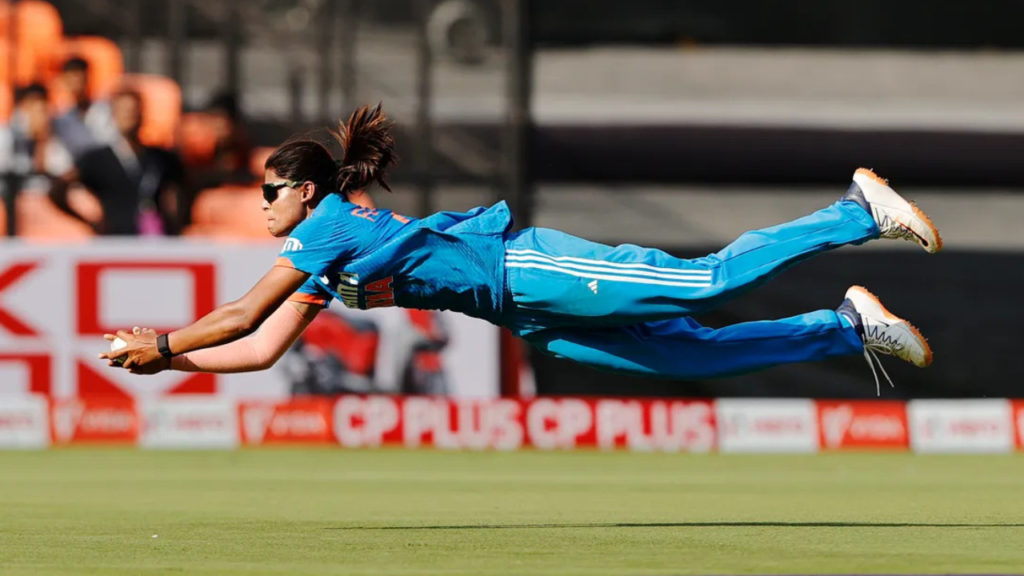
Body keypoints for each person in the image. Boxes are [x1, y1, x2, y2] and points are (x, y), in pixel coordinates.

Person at [101, 104, 942, 395]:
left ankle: (853, 211)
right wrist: (171, 366)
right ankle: (844, 328)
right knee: (697, 358)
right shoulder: (329, 256)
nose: (262, 205)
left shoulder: (327, 227)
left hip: (525, 266)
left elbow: (246, 312)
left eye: (270, 192)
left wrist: (164, 342)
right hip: (529, 315)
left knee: (700, 282)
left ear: (308, 193)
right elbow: (261, 350)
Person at [50, 87, 184, 235]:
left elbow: (180, 187)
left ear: (141, 114)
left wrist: (174, 221)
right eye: (123, 111)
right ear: (113, 115)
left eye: (133, 111)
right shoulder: (97, 159)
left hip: (155, 238)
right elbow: (59, 187)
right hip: (116, 241)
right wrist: (89, 222)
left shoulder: (159, 158)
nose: (129, 116)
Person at [50, 57, 117, 159]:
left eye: (79, 77)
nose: (76, 83)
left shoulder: (104, 110)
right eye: (72, 78)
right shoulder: (59, 117)